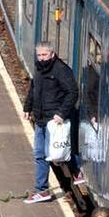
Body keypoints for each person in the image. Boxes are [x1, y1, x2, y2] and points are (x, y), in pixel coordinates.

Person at [24, 42, 79, 205]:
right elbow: (33, 89)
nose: (41, 59)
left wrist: (61, 113)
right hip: (41, 119)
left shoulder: (61, 70)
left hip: (54, 121)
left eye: (44, 55)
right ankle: (42, 190)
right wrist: (27, 107)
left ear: (52, 54)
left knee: (58, 153)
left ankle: (77, 171)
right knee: (41, 154)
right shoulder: (39, 69)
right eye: (39, 55)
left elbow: (72, 92)